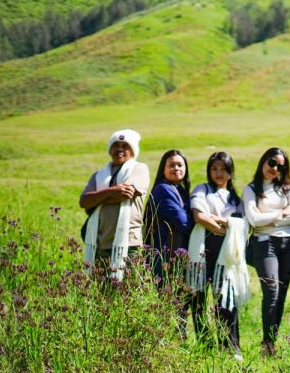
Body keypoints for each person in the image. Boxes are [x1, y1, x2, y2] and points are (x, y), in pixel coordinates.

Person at [187, 151, 248, 359]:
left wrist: (224, 223)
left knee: (226, 299)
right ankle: (205, 345)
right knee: (199, 299)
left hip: (227, 254)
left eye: (223, 169)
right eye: (214, 169)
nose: (219, 173)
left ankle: (231, 346)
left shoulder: (235, 199)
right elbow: (199, 216)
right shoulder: (202, 190)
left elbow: (243, 225)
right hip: (204, 250)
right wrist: (224, 226)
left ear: (230, 172)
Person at [243, 147, 290, 355]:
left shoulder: (286, 188)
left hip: (289, 244)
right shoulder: (251, 189)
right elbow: (254, 220)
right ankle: (266, 344)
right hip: (264, 243)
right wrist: (281, 213)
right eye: (271, 162)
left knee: (282, 294)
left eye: (280, 165)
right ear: (263, 161)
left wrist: (267, 215)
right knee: (271, 292)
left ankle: (272, 343)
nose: (274, 168)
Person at [80, 129, 150, 281]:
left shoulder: (139, 169)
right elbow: (84, 201)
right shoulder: (99, 176)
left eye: (125, 146)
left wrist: (98, 197)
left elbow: (127, 193)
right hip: (100, 243)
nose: (120, 149)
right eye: (116, 145)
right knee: (103, 293)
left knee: (128, 291)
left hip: (129, 242)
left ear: (133, 150)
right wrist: (113, 191)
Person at [143, 150, 193, 284]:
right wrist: (203, 221)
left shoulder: (179, 189)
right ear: (163, 169)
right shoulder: (164, 189)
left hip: (174, 256)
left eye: (180, 165)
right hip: (163, 257)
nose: (176, 168)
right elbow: (183, 222)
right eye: (171, 165)